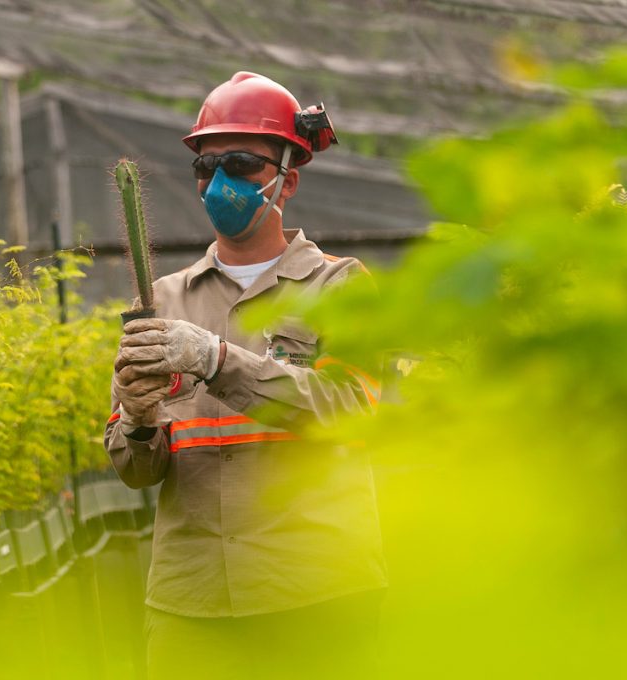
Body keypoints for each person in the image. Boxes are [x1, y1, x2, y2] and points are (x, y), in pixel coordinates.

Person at [104, 71, 387, 679]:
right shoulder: (160, 301)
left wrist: (216, 360)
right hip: (191, 605)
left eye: (240, 163)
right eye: (206, 168)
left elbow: (352, 410)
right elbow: (136, 472)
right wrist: (136, 417)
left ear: (288, 178)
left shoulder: (339, 287)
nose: (218, 183)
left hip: (316, 596)